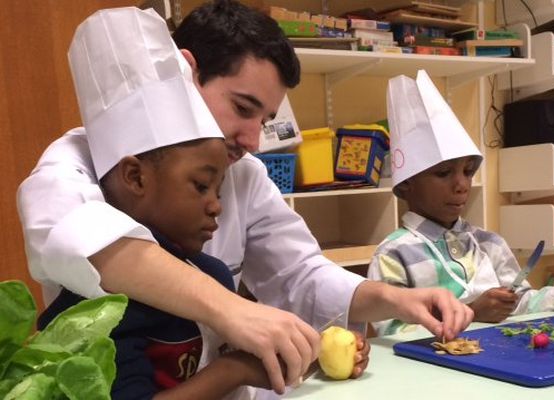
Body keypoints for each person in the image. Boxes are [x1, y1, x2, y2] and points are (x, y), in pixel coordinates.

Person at [17, 1, 472, 394]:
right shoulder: (70, 164)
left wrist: (397, 299)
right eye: (242, 108)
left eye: (266, 119)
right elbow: (96, 247)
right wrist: (235, 312)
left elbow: (299, 274)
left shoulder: (245, 176)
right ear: (187, 74)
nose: (253, 139)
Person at [36, 9, 273, 399]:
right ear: (135, 177)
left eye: (219, 190)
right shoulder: (92, 309)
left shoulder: (212, 272)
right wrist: (233, 369)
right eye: (200, 186)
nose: (217, 206)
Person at [367, 70, 554, 336]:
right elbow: (393, 332)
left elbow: (522, 304)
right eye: (444, 173)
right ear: (406, 184)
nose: (462, 184)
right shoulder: (394, 254)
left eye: (467, 172)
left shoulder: (489, 243)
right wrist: (474, 313)